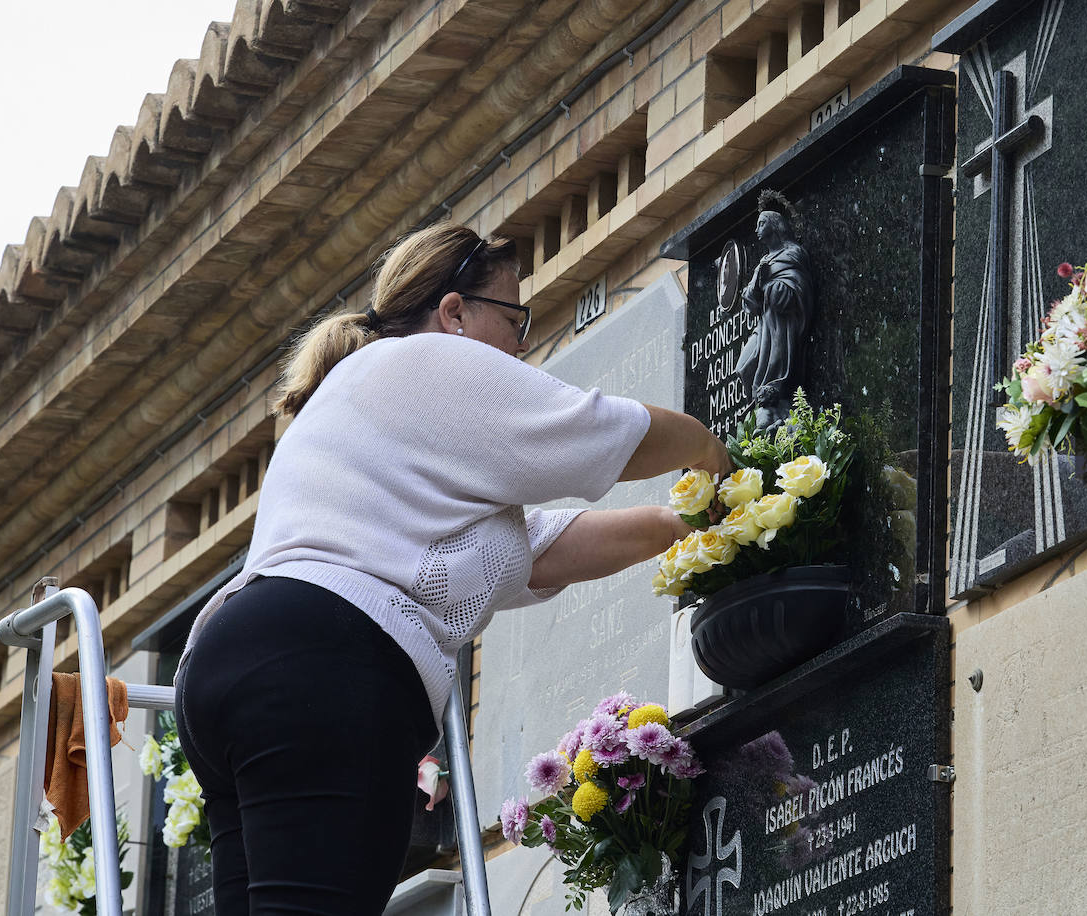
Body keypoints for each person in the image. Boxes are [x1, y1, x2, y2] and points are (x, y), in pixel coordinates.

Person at [173, 223, 730, 915]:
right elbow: (592, 428)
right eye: (514, 317)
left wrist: (678, 528)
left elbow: (537, 549)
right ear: (455, 312)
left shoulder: (382, 409)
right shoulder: (429, 362)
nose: (522, 343)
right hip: (323, 671)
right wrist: (710, 450)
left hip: (229, 668)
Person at [737, 204, 814, 431]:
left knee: (775, 373)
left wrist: (768, 285)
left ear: (775, 225)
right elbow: (750, 302)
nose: (757, 229)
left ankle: (775, 409)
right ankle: (765, 405)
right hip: (765, 325)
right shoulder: (764, 261)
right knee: (744, 366)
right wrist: (759, 284)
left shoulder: (792, 254)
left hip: (783, 327)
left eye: (762, 224)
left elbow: (796, 292)